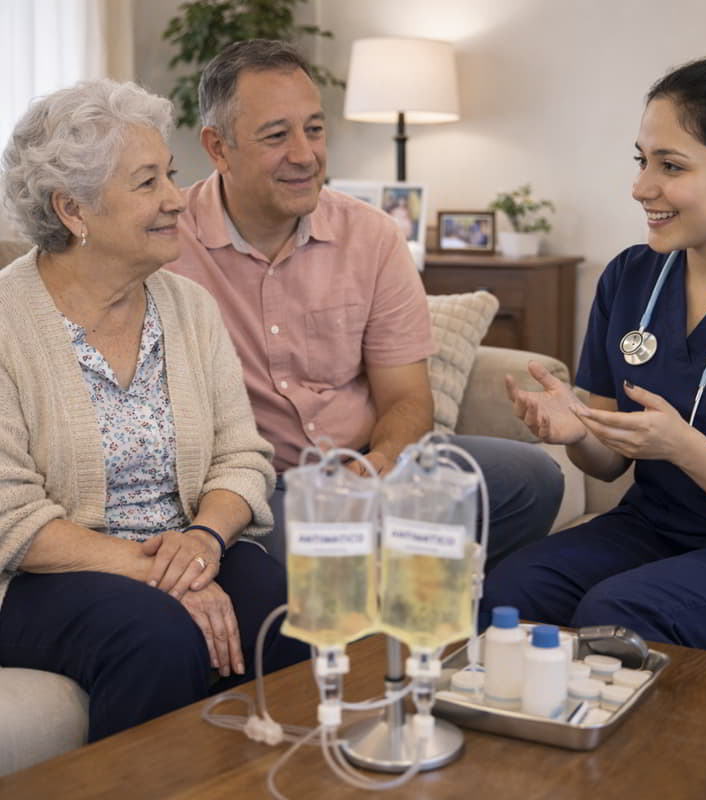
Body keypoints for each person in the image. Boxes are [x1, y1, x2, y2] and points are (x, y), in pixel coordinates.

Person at [166, 39, 564, 570]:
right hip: (256, 490)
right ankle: (393, 574)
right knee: (309, 551)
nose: (304, 155)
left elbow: (406, 396)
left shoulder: (372, 235)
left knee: (532, 478)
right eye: (277, 136)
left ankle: (427, 598)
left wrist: (379, 465)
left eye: (314, 129)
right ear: (218, 148)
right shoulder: (166, 244)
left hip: (371, 468)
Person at [0, 79, 306, 742]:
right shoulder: (6, 324)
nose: (176, 197)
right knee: (156, 636)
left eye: (170, 173)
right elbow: (11, 516)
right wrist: (165, 575)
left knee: (283, 615)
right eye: (148, 183)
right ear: (72, 210)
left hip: (186, 542)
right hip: (39, 573)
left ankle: (278, 782)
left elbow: (242, 456)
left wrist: (203, 542)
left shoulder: (188, 307)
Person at [484, 57, 706, 665]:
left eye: (670, 166)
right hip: (657, 529)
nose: (640, 187)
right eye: (642, 160)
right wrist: (579, 429)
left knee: (622, 613)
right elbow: (607, 465)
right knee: (511, 592)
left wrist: (684, 447)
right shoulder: (631, 277)